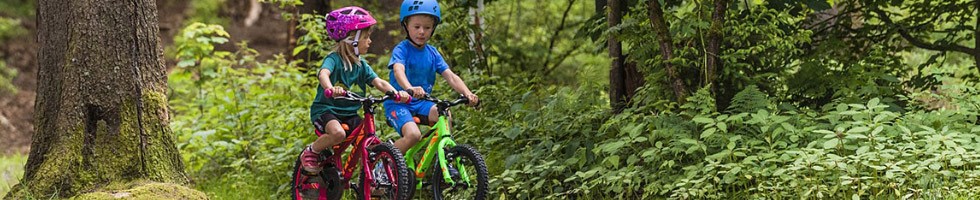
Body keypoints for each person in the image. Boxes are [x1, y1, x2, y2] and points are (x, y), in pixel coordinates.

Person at [300, 6, 410, 174]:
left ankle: (373, 181)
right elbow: (323, 74)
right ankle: (312, 151)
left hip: (350, 114)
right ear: (351, 39)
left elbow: (379, 82)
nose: (370, 41)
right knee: (337, 134)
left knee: (372, 144)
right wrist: (330, 88)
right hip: (326, 111)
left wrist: (395, 94)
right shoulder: (334, 59)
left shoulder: (361, 65)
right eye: (366, 37)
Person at [384, 0, 480, 153]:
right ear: (406, 26)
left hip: (422, 103)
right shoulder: (402, 49)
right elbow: (398, 70)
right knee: (413, 135)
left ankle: (446, 158)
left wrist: (467, 93)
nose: (422, 32)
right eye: (417, 27)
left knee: (444, 114)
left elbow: (451, 76)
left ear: (433, 29)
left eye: (427, 27)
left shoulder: (433, 53)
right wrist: (409, 88)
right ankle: (384, 163)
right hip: (399, 103)